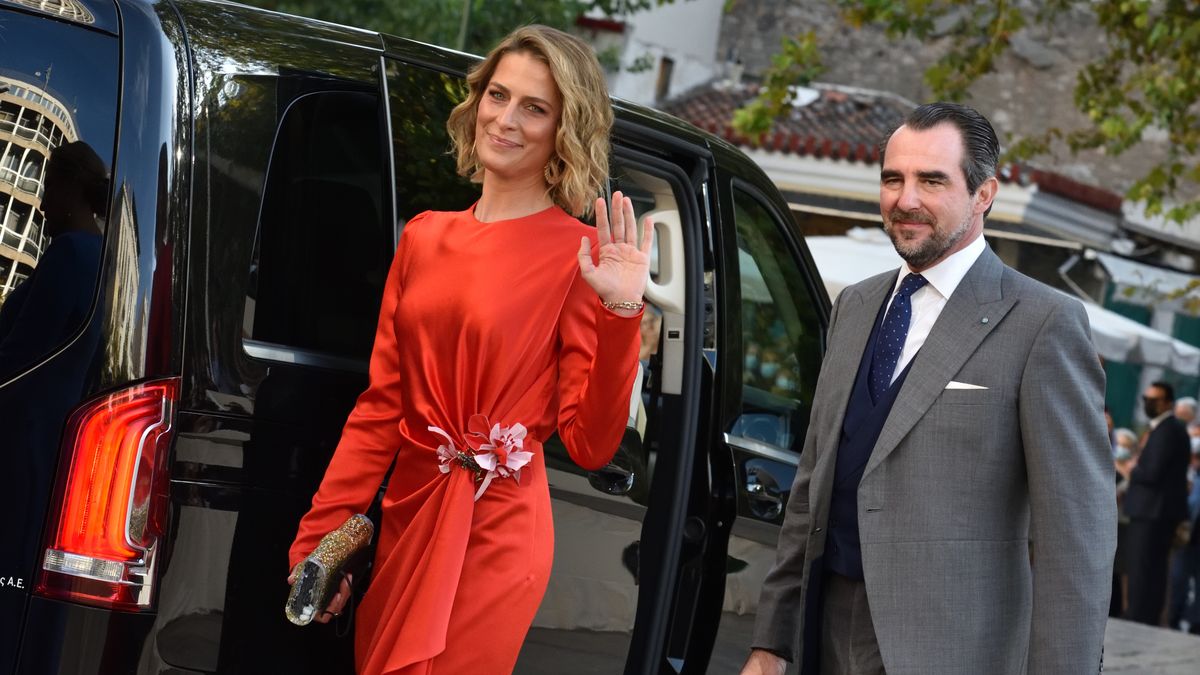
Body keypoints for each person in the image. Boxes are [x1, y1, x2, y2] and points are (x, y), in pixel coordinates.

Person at [286, 25, 651, 675]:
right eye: (498, 95)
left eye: (534, 108)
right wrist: (319, 540)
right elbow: (381, 409)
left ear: (563, 130)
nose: (505, 119)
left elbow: (591, 445)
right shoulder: (424, 238)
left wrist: (621, 313)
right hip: (408, 515)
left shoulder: (582, 259)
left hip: (497, 535)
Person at [741, 103, 1115, 674]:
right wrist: (772, 640)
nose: (905, 199)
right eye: (893, 179)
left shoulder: (1044, 323)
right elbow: (813, 483)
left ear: (984, 194)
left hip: (952, 649)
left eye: (932, 181)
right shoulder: (856, 304)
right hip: (825, 628)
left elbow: (1076, 533)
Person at [1124, 381, 1191, 626]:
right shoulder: (1170, 429)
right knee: (1152, 569)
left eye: (1154, 400)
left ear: (1168, 402)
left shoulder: (1167, 430)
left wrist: (1130, 469)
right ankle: (1144, 615)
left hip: (1152, 511)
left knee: (1143, 569)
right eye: (1146, 399)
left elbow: (1151, 472)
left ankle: (1138, 616)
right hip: (1156, 512)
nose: (1148, 404)